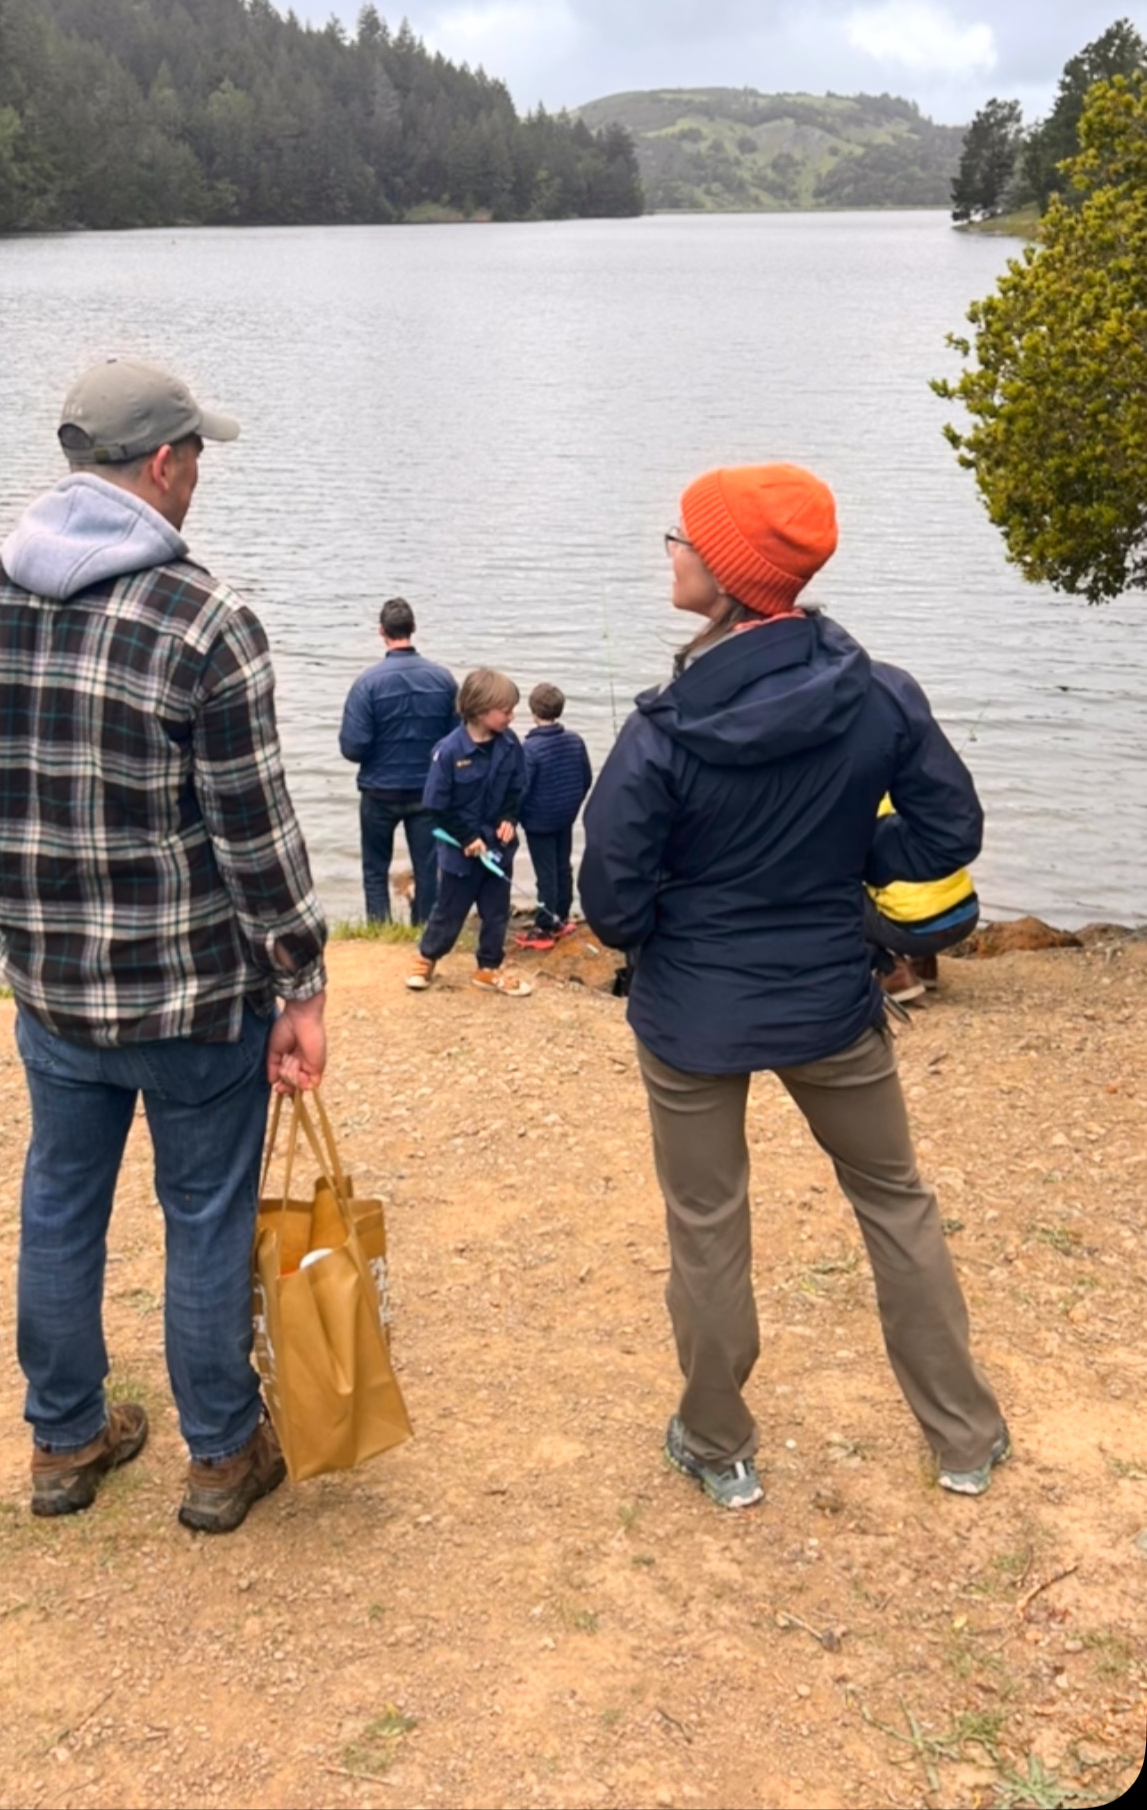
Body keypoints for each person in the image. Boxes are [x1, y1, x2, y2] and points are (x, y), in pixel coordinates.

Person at [0, 356, 329, 1536]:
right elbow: (256, 838)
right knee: (203, 1215)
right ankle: (220, 1455)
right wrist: (300, 983)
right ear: (164, 464)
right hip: (195, 999)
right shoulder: (205, 621)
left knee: (60, 1203)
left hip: (52, 991)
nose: (199, 475)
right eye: (197, 456)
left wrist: (25, 894)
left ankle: (65, 1439)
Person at [579, 462, 1009, 1508]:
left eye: (683, 537)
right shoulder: (879, 693)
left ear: (727, 575)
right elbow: (950, 829)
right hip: (830, 997)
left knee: (708, 1223)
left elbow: (613, 904)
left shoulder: (662, 730)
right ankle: (963, 1439)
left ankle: (719, 1447)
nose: (669, 550)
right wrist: (853, 869)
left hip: (694, 1012)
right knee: (896, 1203)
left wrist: (678, 925)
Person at [405, 668, 531, 996]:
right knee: (449, 910)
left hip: (497, 850)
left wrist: (509, 818)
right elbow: (436, 805)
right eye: (505, 711)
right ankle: (426, 957)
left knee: (496, 912)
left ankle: (488, 968)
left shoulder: (510, 743)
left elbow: (516, 788)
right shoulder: (448, 751)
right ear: (480, 710)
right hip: (460, 853)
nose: (511, 717)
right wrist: (466, 838)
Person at [338, 598, 459, 924]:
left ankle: (380, 930)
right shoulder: (443, 680)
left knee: (375, 869)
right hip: (427, 791)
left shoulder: (367, 683)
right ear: (413, 628)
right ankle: (425, 930)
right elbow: (456, 742)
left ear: (381, 631)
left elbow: (352, 748)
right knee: (428, 868)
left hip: (379, 791)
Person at [865, 795, 980, 1001]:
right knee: (914, 873)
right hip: (967, 914)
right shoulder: (904, 795)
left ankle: (890, 971)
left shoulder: (850, 816)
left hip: (918, 931)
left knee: (832, 896)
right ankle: (924, 965)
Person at [515, 681, 593, 949]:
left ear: (533, 711)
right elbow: (586, 778)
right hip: (565, 816)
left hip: (539, 822)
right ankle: (560, 916)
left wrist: (514, 816)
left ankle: (544, 928)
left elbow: (522, 789)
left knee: (546, 874)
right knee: (562, 867)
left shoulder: (530, 749)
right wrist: (573, 804)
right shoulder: (575, 741)